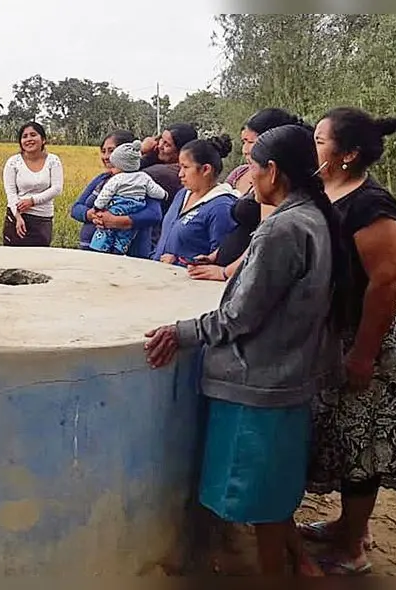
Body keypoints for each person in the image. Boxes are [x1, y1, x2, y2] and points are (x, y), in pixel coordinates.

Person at [144, 123, 349, 576]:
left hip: (256, 383)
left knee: (251, 493)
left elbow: (239, 316)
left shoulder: (282, 230)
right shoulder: (313, 217)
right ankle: (292, 567)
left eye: (252, 168)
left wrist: (180, 332)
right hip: (288, 377)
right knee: (272, 492)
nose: (248, 179)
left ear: (272, 171)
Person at [299, 108, 396, 576]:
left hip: (363, 337)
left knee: (362, 440)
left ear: (347, 155)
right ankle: (347, 525)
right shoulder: (323, 191)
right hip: (329, 334)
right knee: (339, 437)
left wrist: (363, 353)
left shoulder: (371, 205)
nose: (313, 146)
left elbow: (387, 281)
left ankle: (354, 549)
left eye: (320, 140)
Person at [190, 108, 312, 281]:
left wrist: (226, 272)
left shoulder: (276, 185)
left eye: (249, 141)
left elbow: (263, 242)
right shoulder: (249, 175)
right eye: (243, 142)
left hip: (244, 277)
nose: (245, 149)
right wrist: (215, 256)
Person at [70, 130, 167, 258]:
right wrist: (94, 215)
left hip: (130, 256)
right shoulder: (102, 179)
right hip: (90, 252)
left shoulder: (140, 182)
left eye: (111, 151)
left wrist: (116, 221)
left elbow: (154, 214)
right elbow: (76, 209)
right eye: (103, 151)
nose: (106, 156)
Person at [152, 136, 239, 267]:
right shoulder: (183, 194)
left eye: (186, 167)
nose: (180, 174)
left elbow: (221, 259)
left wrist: (180, 262)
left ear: (206, 169)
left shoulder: (221, 207)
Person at [3, 121, 63, 247]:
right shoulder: (13, 162)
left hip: (42, 219)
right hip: (18, 217)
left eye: (33, 135)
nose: (29, 139)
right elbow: (11, 192)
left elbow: (57, 188)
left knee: (39, 261)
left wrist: (32, 201)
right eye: (25, 136)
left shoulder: (53, 161)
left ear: (43, 139)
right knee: (12, 259)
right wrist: (17, 216)